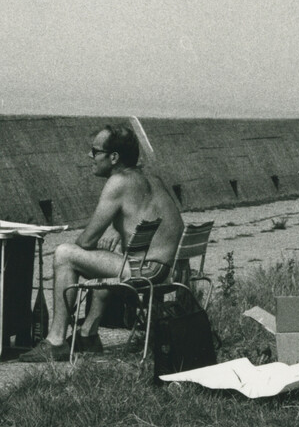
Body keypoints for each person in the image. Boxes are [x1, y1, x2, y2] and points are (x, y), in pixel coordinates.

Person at [27, 122, 185, 362]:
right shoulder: (152, 179)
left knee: (63, 254)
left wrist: (97, 246)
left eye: (95, 151)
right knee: (105, 259)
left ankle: (56, 340)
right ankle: (88, 334)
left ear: (113, 157)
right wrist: (116, 234)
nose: (89, 156)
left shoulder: (118, 182)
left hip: (144, 272)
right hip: (164, 270)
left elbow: (87, 240)